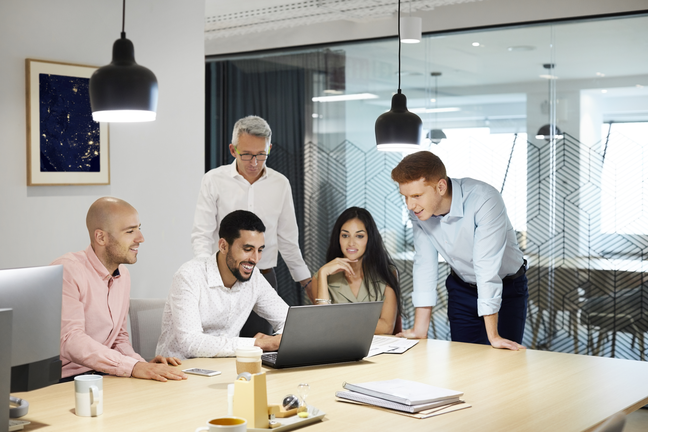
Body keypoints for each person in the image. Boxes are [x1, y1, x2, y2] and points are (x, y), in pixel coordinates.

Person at [391, 151, 528, 351]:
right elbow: (424, 265)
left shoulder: (484, 199)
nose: (410, 205)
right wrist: (420, 329)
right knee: (463, 361)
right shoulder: (418, 211)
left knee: (502, 364)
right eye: (405, 197)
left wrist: (494, 336)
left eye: (417, 196)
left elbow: (486, 267)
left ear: (440, 186)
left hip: (506, 288)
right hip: (461, 289)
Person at [190, 115, 311, 337]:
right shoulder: (213, 180)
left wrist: (306, 282)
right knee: (217, 345)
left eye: (261, 154)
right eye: (246, 154)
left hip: (262, 277)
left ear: (270, 148)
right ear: (233, 149)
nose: (254, 162)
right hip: (222, 278)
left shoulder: (280, 184)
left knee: (259, 348)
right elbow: (202, 235)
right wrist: (205, 277)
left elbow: (288, 240)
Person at [54, 197, 187, 382]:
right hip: (65, 382)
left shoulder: (123, 275)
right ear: (101, 237)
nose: (141, 238)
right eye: (130, 231)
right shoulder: (67, 271)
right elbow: (70, 340)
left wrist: (142, 364)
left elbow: (118, 339)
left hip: (103, 375)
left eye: (139, 228)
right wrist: (133, 366)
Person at [157, 210, 290, 358]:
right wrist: (257, 344)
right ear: (223, 246)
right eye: (248, 249)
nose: (255, 259)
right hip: (180, 370)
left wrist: (276, 339)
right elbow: (191, 343)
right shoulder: (189, 276)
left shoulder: (255, 279)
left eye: (259, 250)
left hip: (226, 368)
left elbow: (289, 320)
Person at [307, 207, 401, 335]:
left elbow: (386, 328)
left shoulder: (387, 273)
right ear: (338, 238)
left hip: (377, 351)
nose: (351, 243)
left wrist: (336, 319)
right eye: (345, 235)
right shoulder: (320, 277)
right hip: (337, 351)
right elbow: (323, 325)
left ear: (369, 239)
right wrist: (323, 274)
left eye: (359, 236)